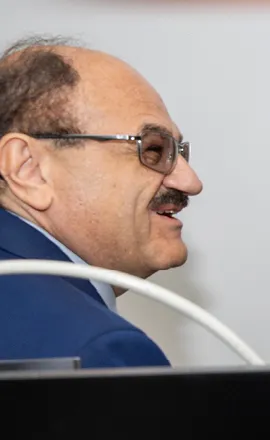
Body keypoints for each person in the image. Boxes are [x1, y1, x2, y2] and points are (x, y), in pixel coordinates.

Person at [0, 36, 203, 368]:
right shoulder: (94, 349)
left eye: (178, 152)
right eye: (152, 149)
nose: (190, 182)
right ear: (29, 169)